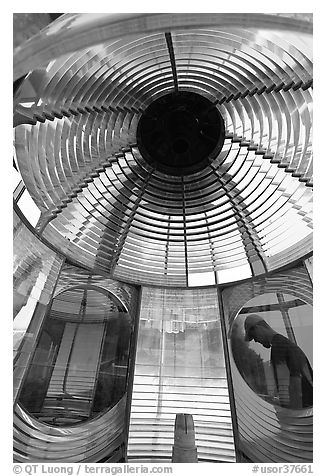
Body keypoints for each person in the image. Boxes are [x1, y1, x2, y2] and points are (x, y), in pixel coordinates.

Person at [244, 314, 313, 409]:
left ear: (258, 328)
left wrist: (291, 413)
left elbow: (288, 385)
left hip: (301, 410)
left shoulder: (278, 347)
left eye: (253, 336)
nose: (255, 341)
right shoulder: (285, 343)